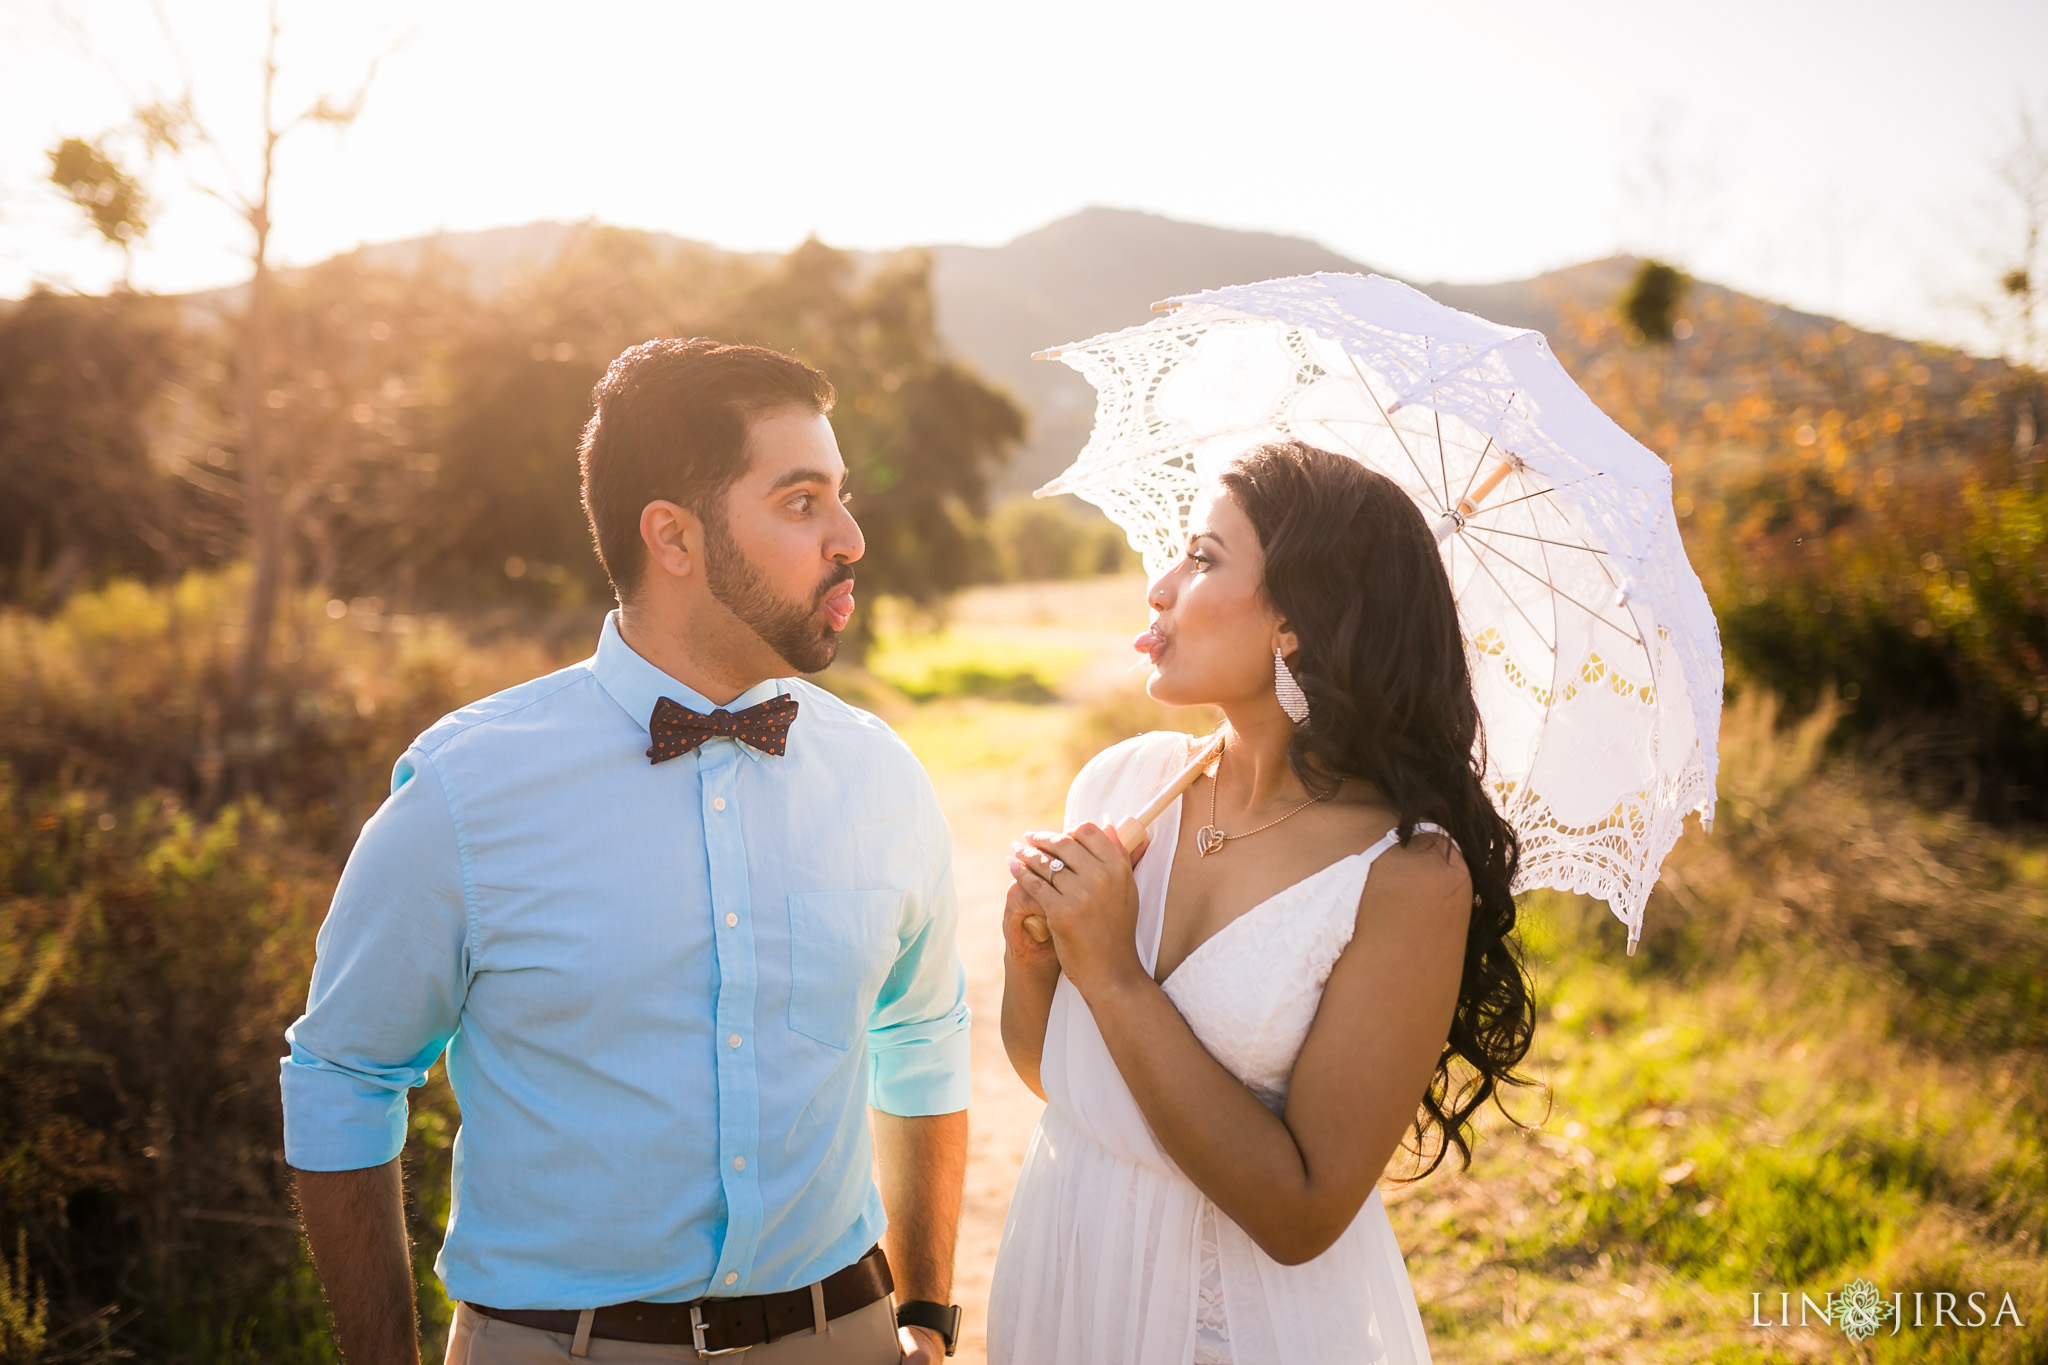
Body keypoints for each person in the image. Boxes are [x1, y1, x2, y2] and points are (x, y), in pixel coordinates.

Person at [282, 338, 971, 1365]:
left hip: (845, 1336)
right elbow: (344, 1073)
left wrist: (923, 1316)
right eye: (800, 501)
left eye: (841, 496)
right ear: (673, 538)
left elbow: (922, 1035)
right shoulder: (468, 793)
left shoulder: (880, 776)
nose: (850, 537)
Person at [986, 440, 1539, 1364]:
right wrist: (1035, 958)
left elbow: (1303, 1211)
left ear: (1295, 619)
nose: (1159, 586)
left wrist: (1116, 975)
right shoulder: (1122, 784)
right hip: (1066, 1275)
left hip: (1234, 1331)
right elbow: (1059, 1079)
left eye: (1203, 558)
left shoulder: (1403, 875)